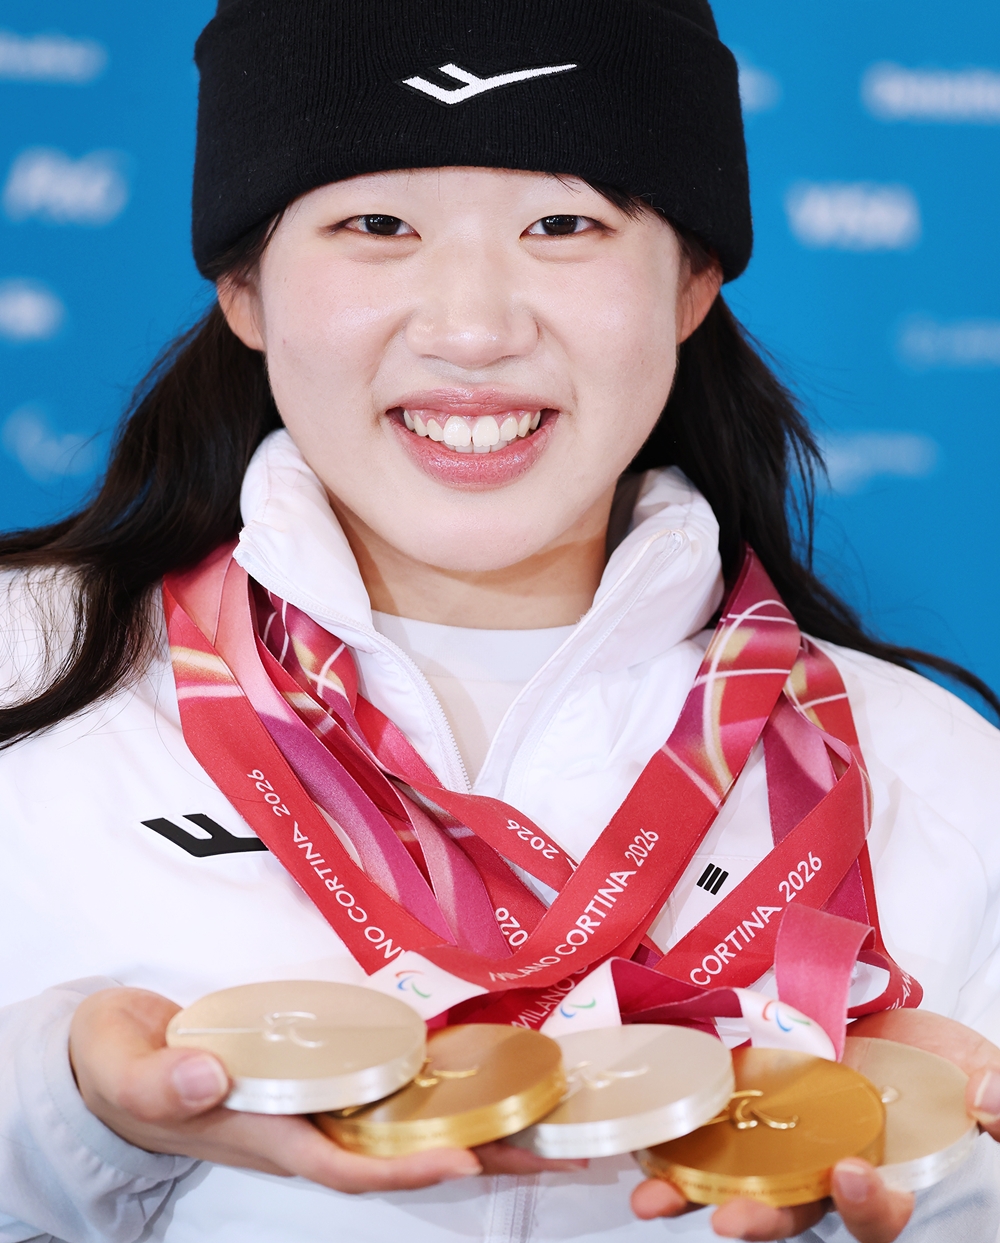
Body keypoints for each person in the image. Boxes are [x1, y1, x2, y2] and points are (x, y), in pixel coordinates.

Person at [1, 1, 999, 1240]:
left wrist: (947, 1180)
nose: (472, 328)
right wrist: (77, 1107)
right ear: (244, 285)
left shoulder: (937, 778)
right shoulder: (22, 677)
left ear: (690, 281)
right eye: (376, 224)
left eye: (563, 223)